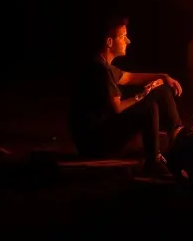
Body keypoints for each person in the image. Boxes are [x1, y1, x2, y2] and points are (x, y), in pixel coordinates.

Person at [67, 16, 186, 178]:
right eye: (123, 37)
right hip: (94, 143)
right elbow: (117, 108)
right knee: (148, 107)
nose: (128, 41)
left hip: (98, 135)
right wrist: (142, 95)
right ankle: (153, 162)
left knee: (162, 90)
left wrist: (164, 76)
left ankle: (179, 138)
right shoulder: (101, 71)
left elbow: (130, 77)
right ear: (109, 42)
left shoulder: (103, 65)